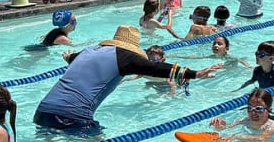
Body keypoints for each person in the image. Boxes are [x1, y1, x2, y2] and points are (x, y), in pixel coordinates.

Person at [33, 26, 217, 134]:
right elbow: (156, 68)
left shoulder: (89, 50)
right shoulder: (125, 57)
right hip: (72, 116)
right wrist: (194, 74)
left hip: (42, 111)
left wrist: (69, 58)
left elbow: (74, 59)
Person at [210, 88, 274, 142]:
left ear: (269, 110)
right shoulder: (245, 120)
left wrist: (236, 136)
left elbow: (263, 138)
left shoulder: (272, 125)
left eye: (258, 109)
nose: (253, 112)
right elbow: (224, 129)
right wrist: (218, 125)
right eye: (250, 108)